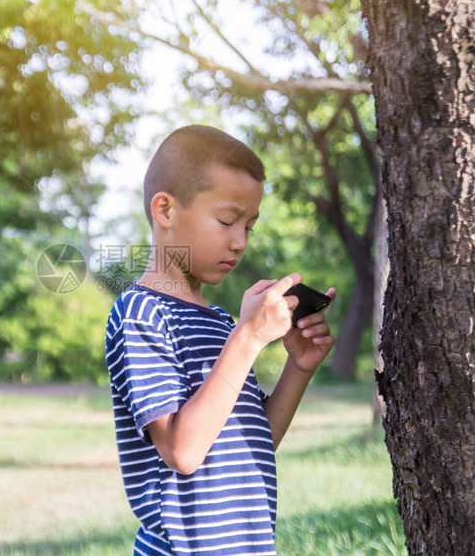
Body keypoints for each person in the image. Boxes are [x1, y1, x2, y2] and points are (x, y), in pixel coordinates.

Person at [104, 125, 336, 555]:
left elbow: (251, 441)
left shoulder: (217, 322)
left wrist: (299, 368)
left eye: (249, 226)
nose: (240, 241)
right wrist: (248, 337)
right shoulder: (141, 314)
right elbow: (184, 451)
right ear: (166, 210)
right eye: (227, 221)